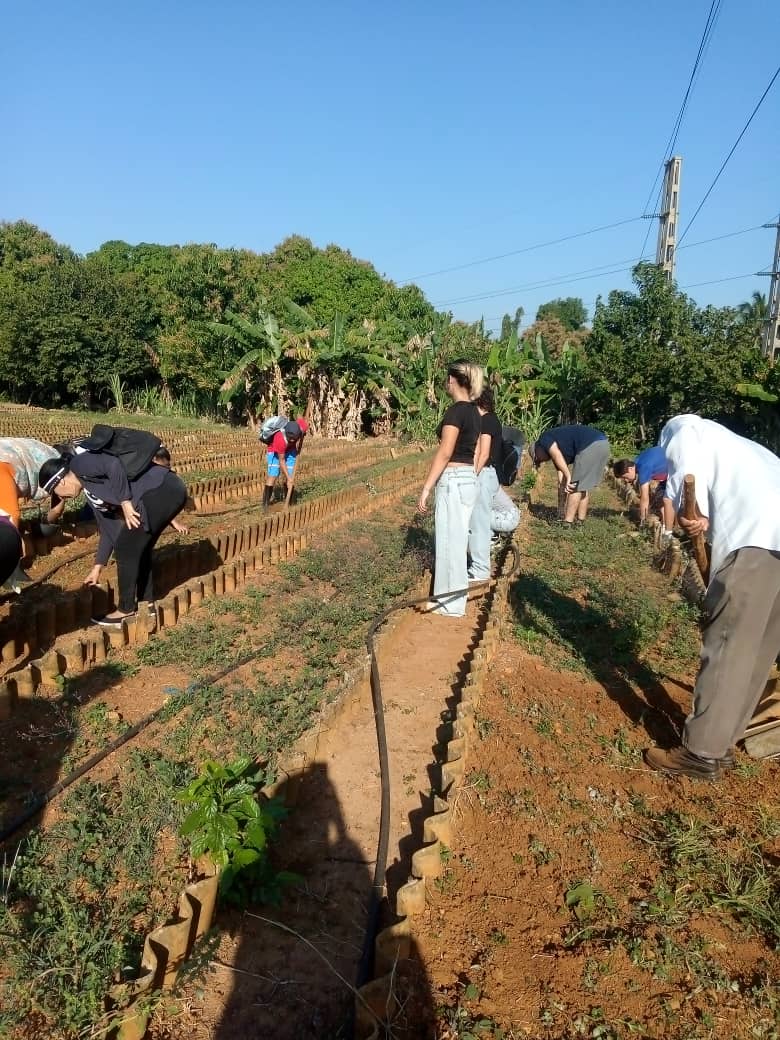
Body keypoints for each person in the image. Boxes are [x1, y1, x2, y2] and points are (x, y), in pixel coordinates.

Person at [644, 414, 780, 779]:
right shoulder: (747, 449)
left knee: (729, 645)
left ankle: (701, 753)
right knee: (757, 650)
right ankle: (722, 743)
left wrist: (692, 514)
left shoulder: (685, 429)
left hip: (754, 540)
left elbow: (687, 476)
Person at [39, 450, 188, 630]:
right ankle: (146, 603)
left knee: (125, 547)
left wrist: (125, 502)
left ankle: (125, 610)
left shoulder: (82, 466)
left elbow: (112, 463)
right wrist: (97, 567)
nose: (61, 498)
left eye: (56, 493)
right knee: (139, 547)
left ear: (61, 481)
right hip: (166, 490)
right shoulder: (91, 493)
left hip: (161, 488)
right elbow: (108, 530)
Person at [417, 360, 483, 617]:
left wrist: (427, 487)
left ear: (454, 380)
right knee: (458, 540)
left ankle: (449, 604)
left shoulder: (455, 412)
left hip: (453, 480)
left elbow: (445, 452)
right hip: (467, 478)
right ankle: (452, 599)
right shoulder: (475, 413)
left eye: (447, 378)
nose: (446, 382)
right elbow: (475, 451)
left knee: (447, 542)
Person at [529, 424, 610, 526]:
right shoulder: (561, 448)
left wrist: (569, 477)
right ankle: (580, 520)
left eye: (537, 459)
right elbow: (561, 482)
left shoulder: (544, 438)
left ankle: (567, 523)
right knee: (582, 486)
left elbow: (557, 455)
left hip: (591, 445)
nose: (541, 461)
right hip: (603, 444)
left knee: (574, 486)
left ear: (537, 448)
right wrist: (560, 508)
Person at [468, 386, 502, 583]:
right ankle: (478, 564)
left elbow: (484, 453)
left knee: (478, 524)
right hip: (488, 474)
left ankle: (480, 570)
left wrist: (472, 475)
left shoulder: (487, 420)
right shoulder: (491, 419)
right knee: (480, 523)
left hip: (484, 474)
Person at [613, 447, 675, 532]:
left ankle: (668, 530)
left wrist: (642, 520)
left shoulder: (643, 467)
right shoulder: (637, 461)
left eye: (625, 477)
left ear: (630, 469)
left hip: (675, 471)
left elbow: (644, 498)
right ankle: (664, 526)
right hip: (668, 469)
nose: (626, 481)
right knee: (661, 498)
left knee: (666, 500)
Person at [262, 418, 308, 508]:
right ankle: (265, 505)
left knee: (291, 476)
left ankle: (289, 503)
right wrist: (288, 477)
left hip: (290, 451)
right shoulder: (279, 439)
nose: (292, 441)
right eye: (290, 439)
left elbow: (304, 424)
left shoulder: (298, 427)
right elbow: (281, 460)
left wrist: (303, 433)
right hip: (275, 451)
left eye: (294, 439)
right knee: (273, 475)